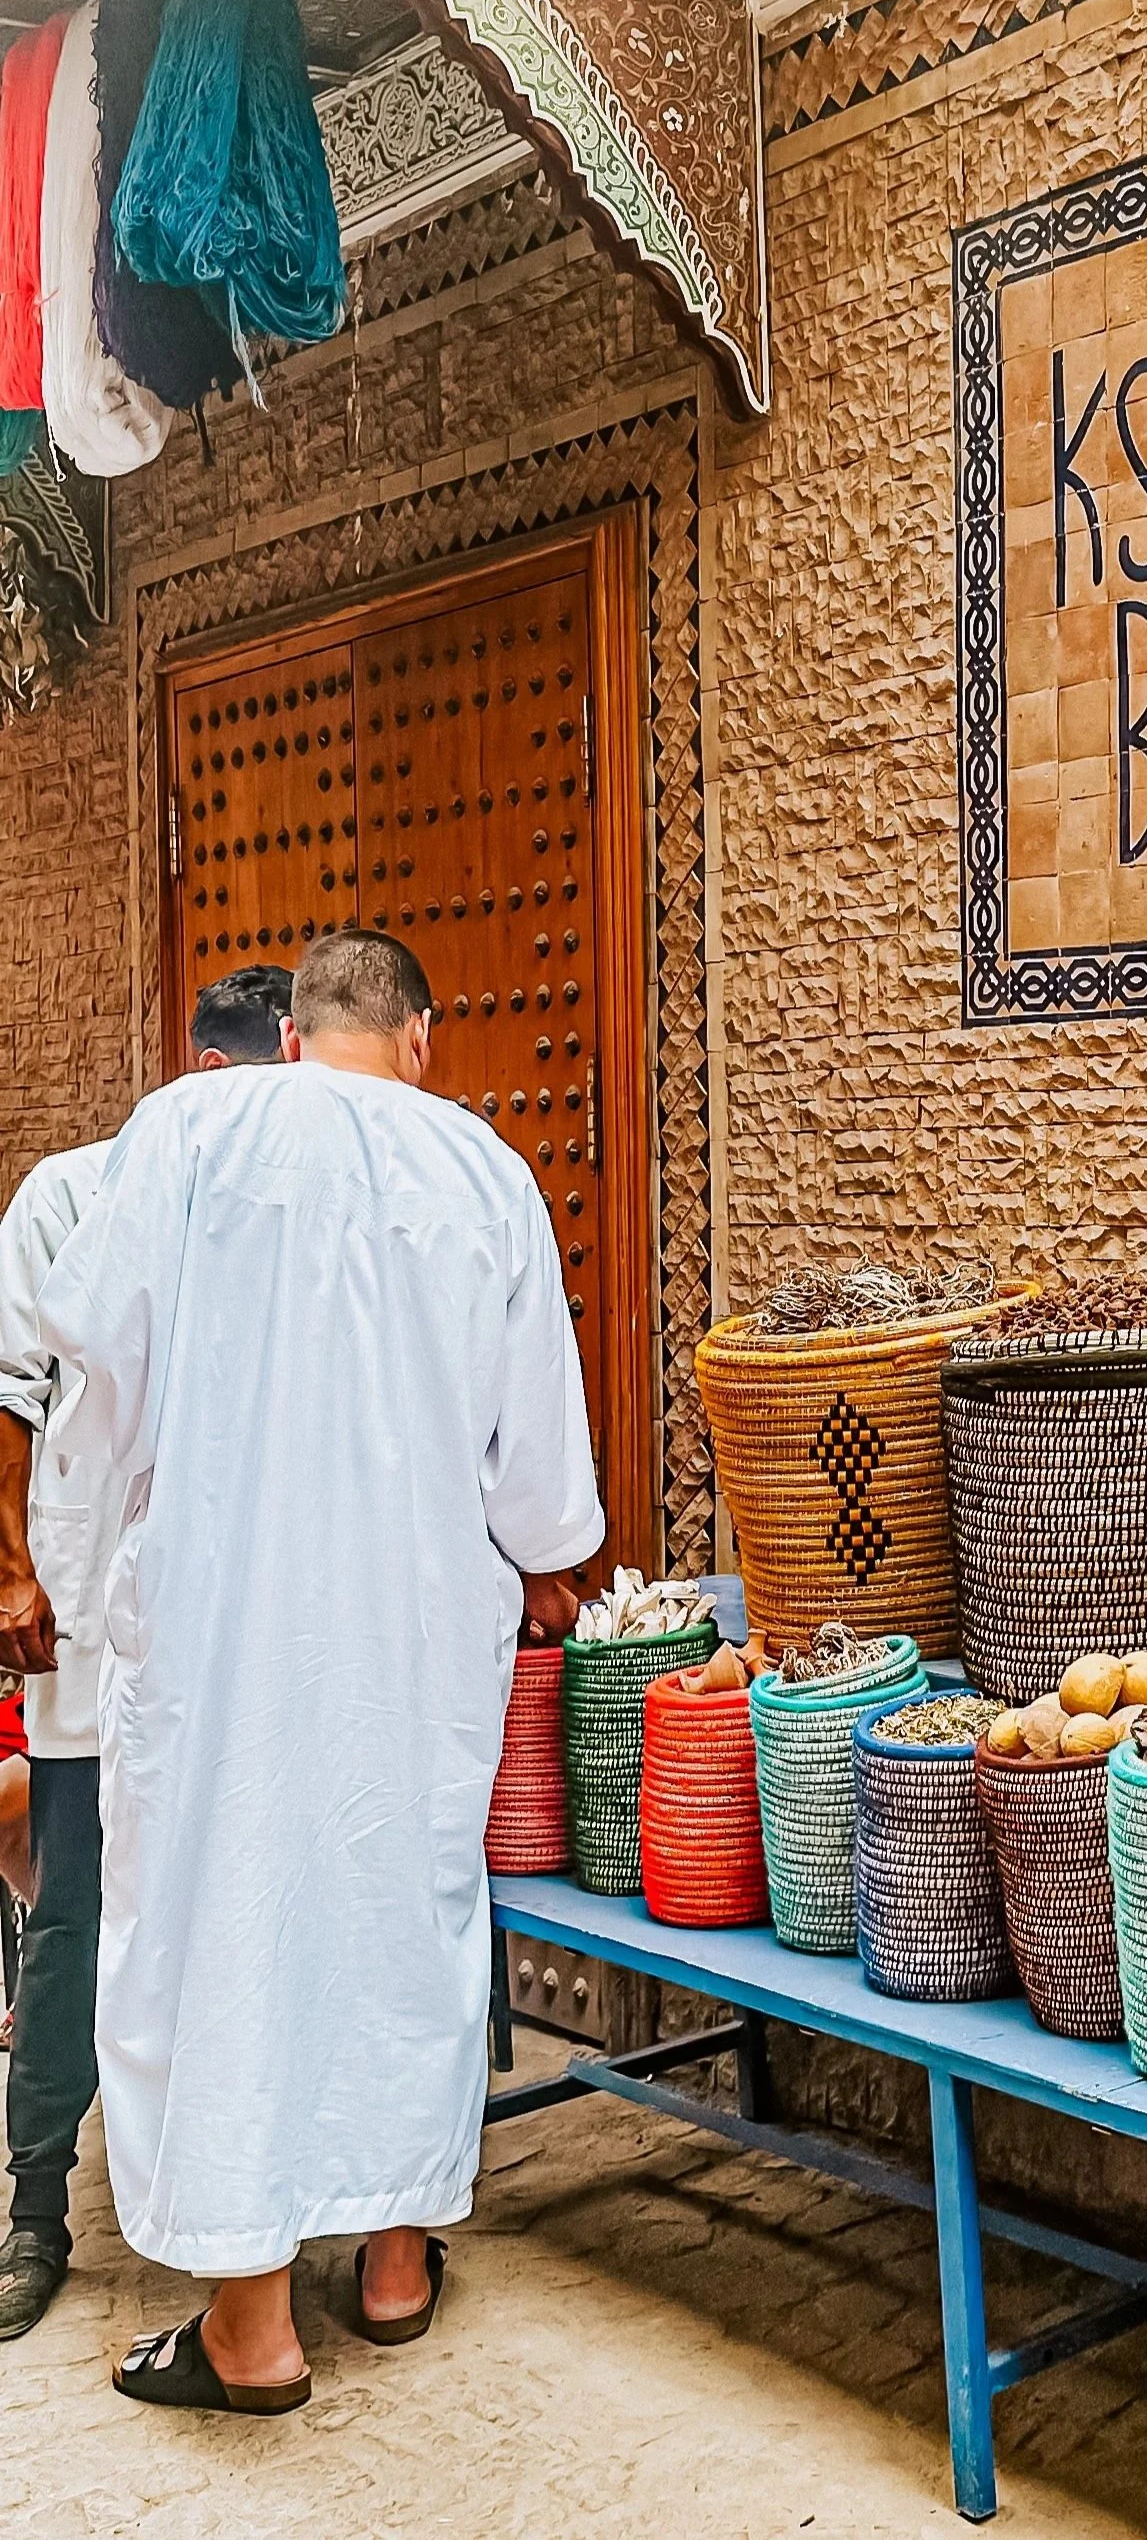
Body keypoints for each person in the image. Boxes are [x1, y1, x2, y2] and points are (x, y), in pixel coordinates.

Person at [40, 931, 598, 2414]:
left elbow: (83, 1346)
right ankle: (399, 2263)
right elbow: (544, 1494)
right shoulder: (484, 1171)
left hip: (225, 1624)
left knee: (225, 1927)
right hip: (409, 1636)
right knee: (399, 1912)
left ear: (289, 1039)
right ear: (421, 1037)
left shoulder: (189, 1130)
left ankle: (250, 2327)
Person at [0, 960, 301, 2340]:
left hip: (227, 1629)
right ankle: (34, 2209)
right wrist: (8, 1566)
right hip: (84, 1616)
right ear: (216, 1079)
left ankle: (252, 2201)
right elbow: (11, 1392)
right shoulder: (64, 1194)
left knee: (235, 1904)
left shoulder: (280, 1211)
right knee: (71, 1906)